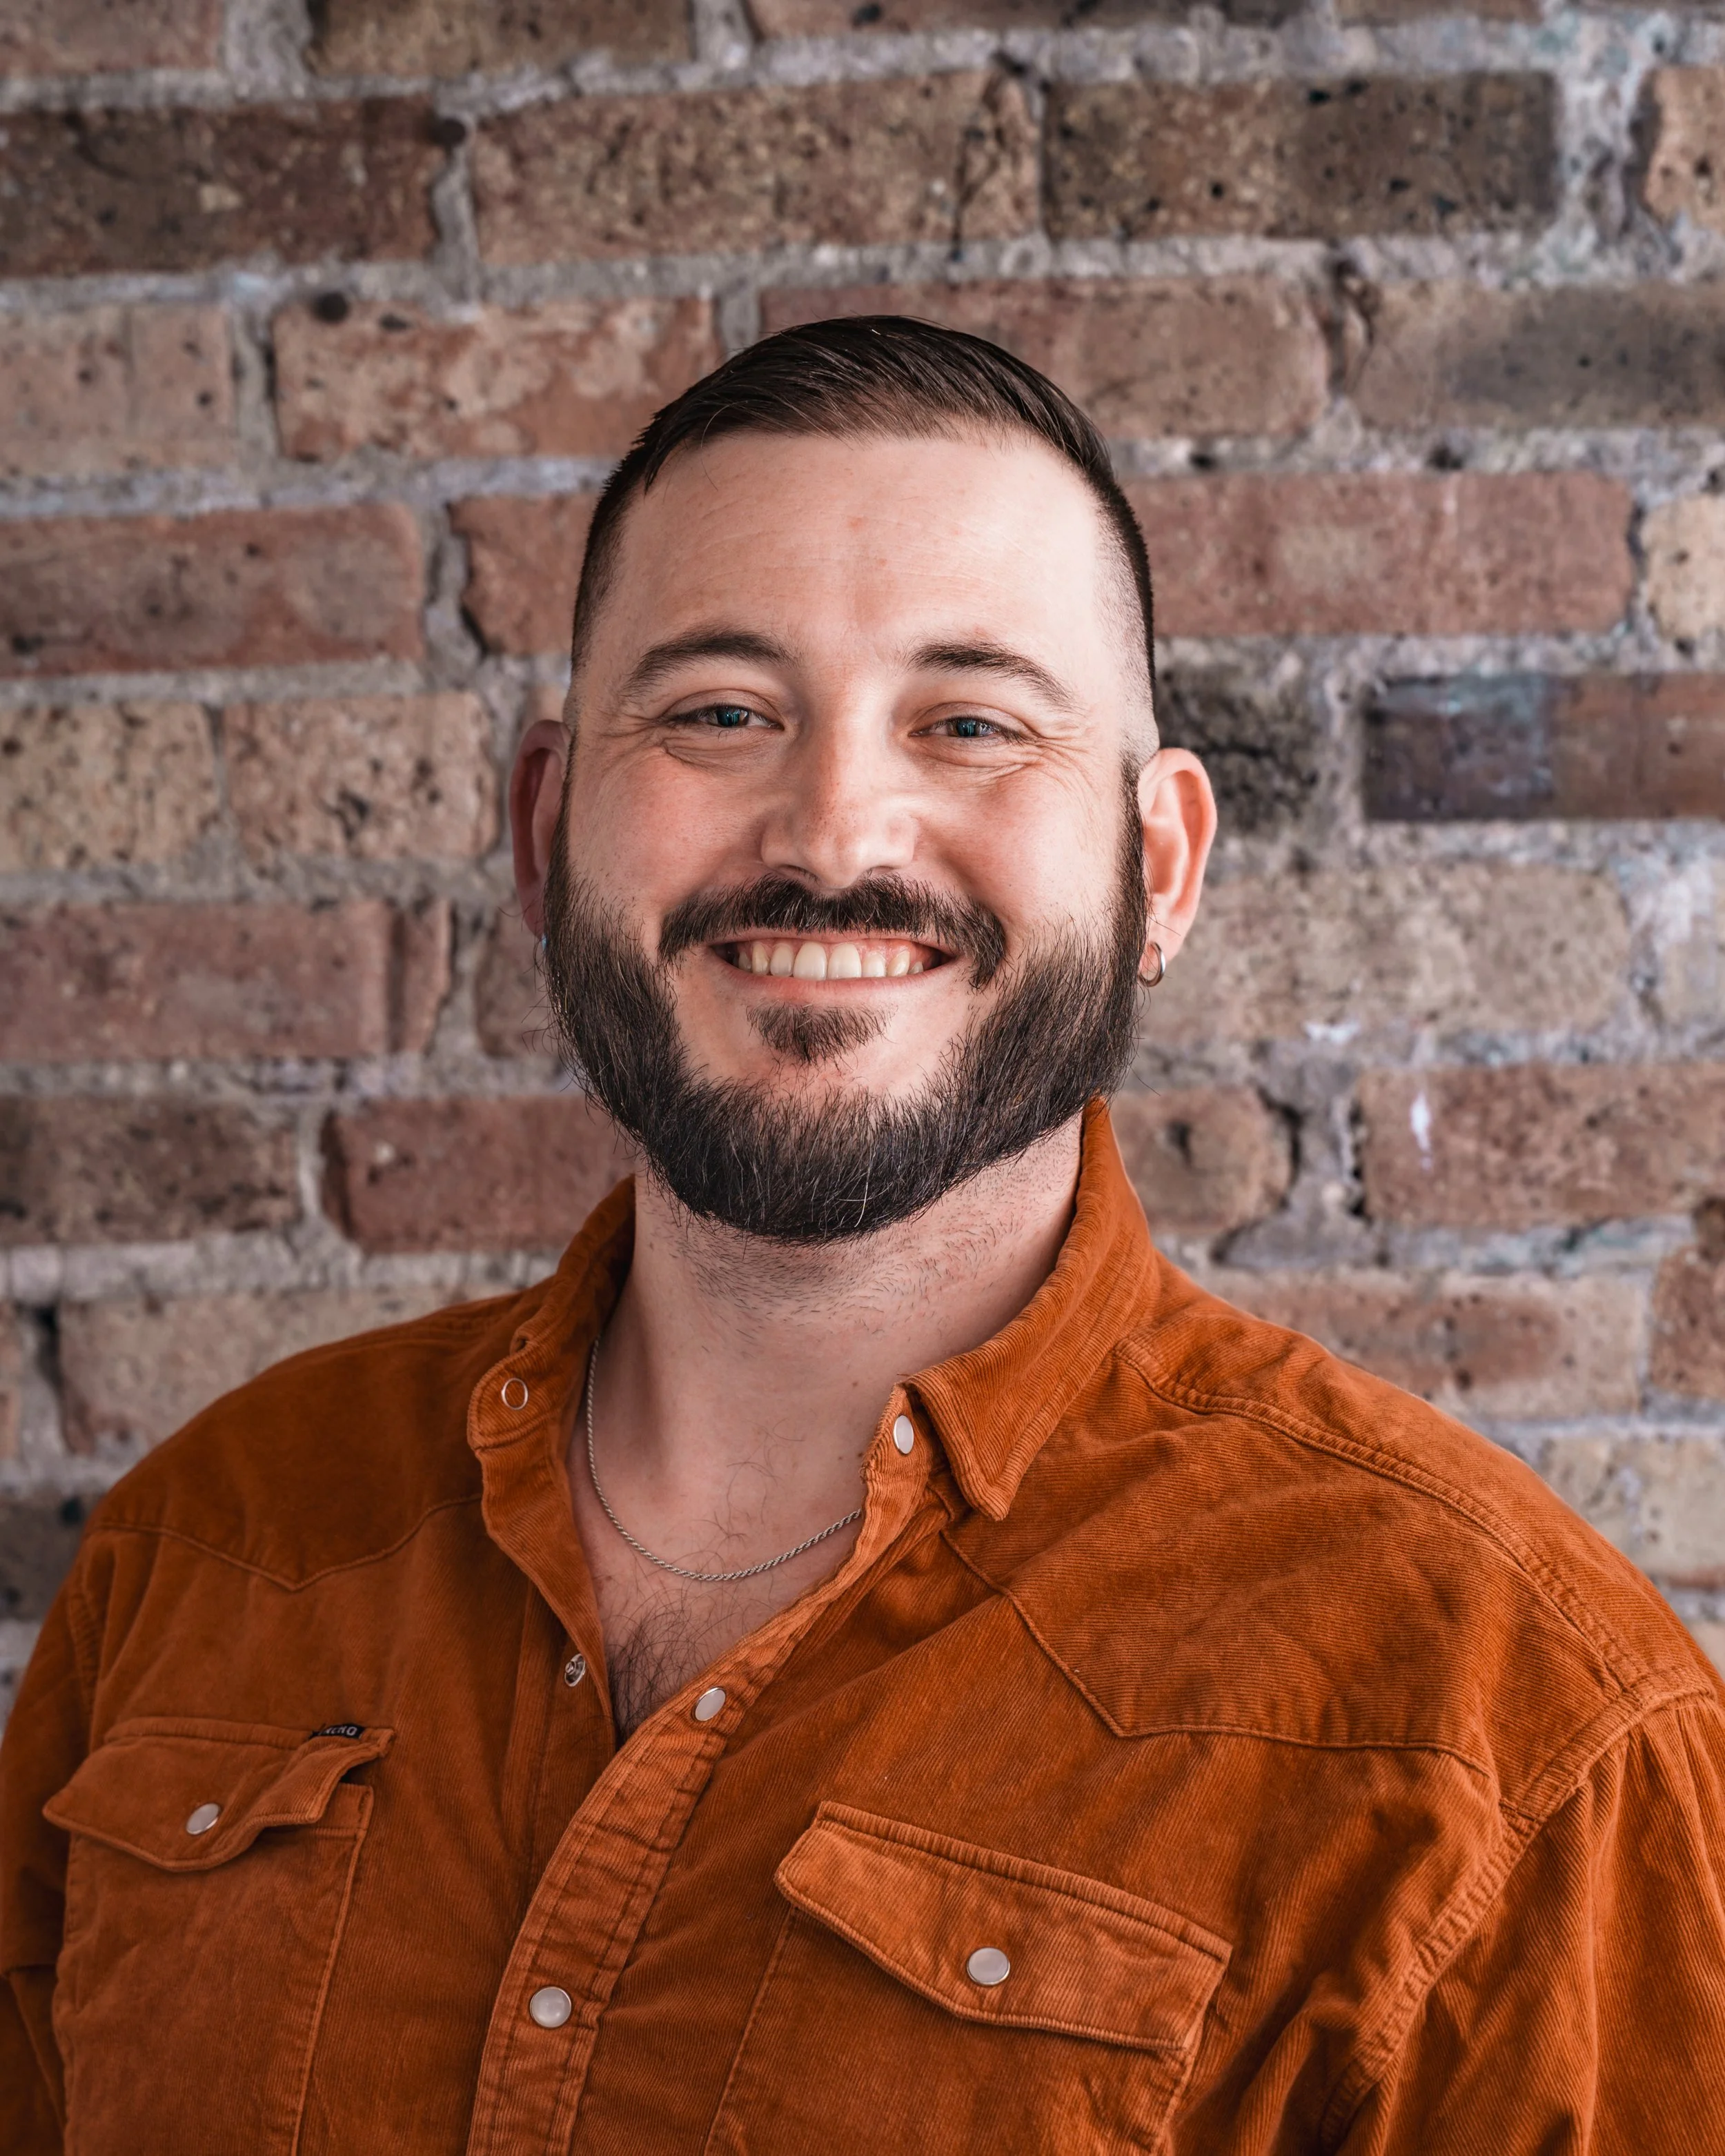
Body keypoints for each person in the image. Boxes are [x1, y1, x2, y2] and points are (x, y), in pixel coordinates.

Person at [2, 317, 1721, 2155]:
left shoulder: (1515, 1731)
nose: (832, 827)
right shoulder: (214, 1540)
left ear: (1159, 867)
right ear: (543, 823)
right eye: (719, 713)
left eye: (969, 722)